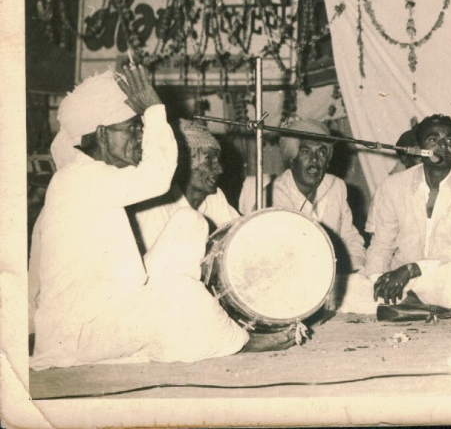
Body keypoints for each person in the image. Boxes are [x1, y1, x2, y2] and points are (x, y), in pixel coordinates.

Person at [29, 66, 292, 370]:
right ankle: (239, 341)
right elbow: (157, 177)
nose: (139, 136)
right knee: (178, 293)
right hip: (79, 334)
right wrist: (153, 110)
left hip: (113, 311)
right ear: (103, 134)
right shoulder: (77, 178)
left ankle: (187, 332)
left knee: (188, 222)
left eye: (139, 128)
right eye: (131, 128)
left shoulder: (96, 176)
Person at [238, 117, 374, 314]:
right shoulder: (272, 195)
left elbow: (350, 237)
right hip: (290, 285)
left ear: (328, 160)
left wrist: (353, 271)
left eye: (321, 152)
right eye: (306, 152)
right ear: (292, 157)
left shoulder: (336, 187)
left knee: (368, 295)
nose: (314, 160)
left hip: (335, 281)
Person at [364, 114, 451, 308]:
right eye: (433, 139)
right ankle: (414, 304)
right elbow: (382, 244)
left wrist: (413, 269)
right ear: (419, 148)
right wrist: (377, 280)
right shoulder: (392, 186)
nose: (442, 146)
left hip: (444, 276)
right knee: (351, 287)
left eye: (449, 140)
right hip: (401, 279)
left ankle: (412, 304)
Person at [130, 119, 240, 254]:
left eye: (217, 160)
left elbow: (239, 238)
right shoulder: (155, 206)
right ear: (185, 162)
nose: (220, 169)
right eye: (209, 159)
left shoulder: (215, 198)